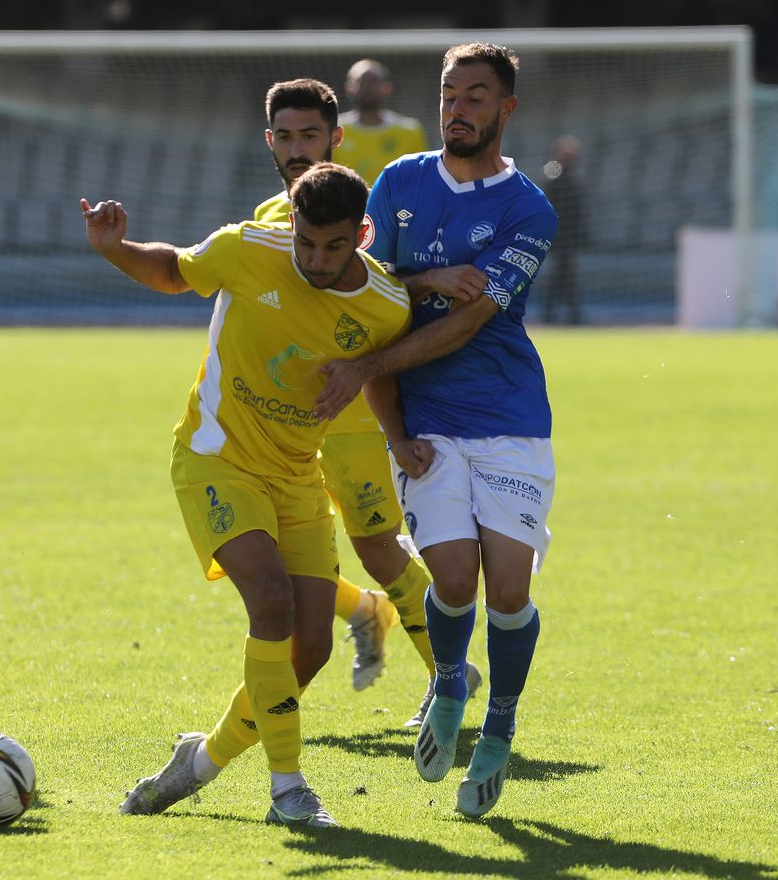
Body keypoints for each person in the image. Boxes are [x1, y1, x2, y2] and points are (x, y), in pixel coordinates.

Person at [82, 162, 411, 828]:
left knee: (311, 647)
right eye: (306, 242)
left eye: (334, 246)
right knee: (271, 601)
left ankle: (199, 762)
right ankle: (289, 791)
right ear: (291, 225)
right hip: (216, 459)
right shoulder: (244, 249)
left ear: (362, 234)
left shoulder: (385, 305)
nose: (316, 260)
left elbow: (384, 371)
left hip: (297, 475)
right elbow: (173, 269)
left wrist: (387, 419)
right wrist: (116, 247)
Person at [314, 42, 558, 819]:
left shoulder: (529, 209)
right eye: (451, 93)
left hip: (511, 416)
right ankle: (450, 682)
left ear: (506, 109)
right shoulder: (399, 182)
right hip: (424, 419)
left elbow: (472, 317)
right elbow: (367, 291)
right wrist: (390, 425)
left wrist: (366, 367)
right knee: (453, 580)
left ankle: (501, 726)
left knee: (509, 590)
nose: (459, 107)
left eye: (477, 96)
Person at [253, 77, 477, 723]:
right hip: (277, 423)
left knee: (377, 545)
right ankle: (362, 609)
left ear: (336, 138)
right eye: (287, 137)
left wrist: (428, 277)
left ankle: (449, 675)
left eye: (311, 137)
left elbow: (378, 288)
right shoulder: (271, 216)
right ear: (270, 142)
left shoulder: (357, 211)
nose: (299, 150)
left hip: (348, 413)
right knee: (259, 550)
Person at [335, 59, 428, 186]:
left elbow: (421, 177)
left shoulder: (409, 131)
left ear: (387, 88)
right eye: (361, 82)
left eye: (373, 82)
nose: (367, 88)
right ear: (349, 88)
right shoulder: (334, 131)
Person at [538, 135, 586, 324]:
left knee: (563, 274)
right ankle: (569, 313)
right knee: (564, 274)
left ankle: (555, 312)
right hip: (559, 234)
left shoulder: (570, 178)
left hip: (568, 233)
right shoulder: (553, 176)